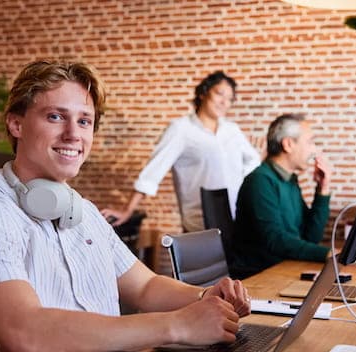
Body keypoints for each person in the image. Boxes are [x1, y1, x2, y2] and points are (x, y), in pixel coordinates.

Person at [0, 60, 251, 352]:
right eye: (55, 116)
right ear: (16, 124)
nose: (73, 134)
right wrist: (176, 326)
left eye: (84, 121)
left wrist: (204, 297)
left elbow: (146, 287)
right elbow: (24, 334)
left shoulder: (82, 211)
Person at [101, 71, 261, 232]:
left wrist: (240, 183)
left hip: (238, 219)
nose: (224, 102)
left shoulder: (231, 130)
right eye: (220, 94)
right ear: (204, 93)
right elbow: (153, 171)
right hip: (201, 222)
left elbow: (253, 161)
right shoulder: (181, 129)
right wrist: (127, 210)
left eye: (229, 99)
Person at [230, 113, 332, 280]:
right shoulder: (260, 181)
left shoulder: (289, 180)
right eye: (310, 142)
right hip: (259, 278)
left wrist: (323, 189)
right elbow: (275, 240)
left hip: (284, 269)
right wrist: (328, 253)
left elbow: (311, 237)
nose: (314, 149)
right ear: (288, 144)